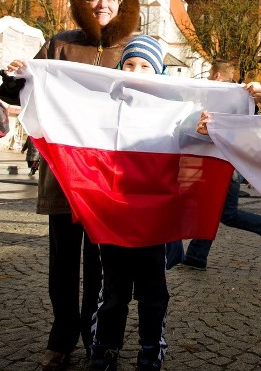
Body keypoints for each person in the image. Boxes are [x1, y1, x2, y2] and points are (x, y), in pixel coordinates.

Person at [0, 0, 140, 370]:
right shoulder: (59, 45)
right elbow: (20, 93)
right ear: (84, 3)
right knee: (62, 264)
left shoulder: (132, 50)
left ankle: (98, 337)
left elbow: (158, 95)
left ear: (121, 5)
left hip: (108, 175)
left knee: (102, 264)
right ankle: (61, 338)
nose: (103, 5)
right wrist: (14, 77)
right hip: (62, 172)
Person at [89, 35, 170, 371]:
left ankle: (151, 350)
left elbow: (206, 130)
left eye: (145, 66)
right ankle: (104, 350)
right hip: (114, 216)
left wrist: (246, 95)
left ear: (159, 71)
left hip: (154, 219)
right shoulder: (105, 106)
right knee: (114, 292)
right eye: (130, 65)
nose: (136, 71)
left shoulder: (172, 110)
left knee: (153, 293)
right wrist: (24, 77)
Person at [179, 58, 261, 271]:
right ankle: (196, 256)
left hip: (225, 166)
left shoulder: (228, 100)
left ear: (217, 76)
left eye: (210, 73)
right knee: (212, 207)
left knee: (227, 213)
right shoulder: (234, 100)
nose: (208, 77)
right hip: (221, 164)